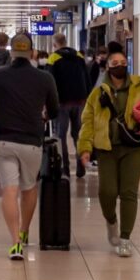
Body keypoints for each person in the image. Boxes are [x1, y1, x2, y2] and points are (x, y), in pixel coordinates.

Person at [0, 33, 59, 261]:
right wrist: (42, 117)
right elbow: (54, 111)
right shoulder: (45, 78)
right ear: (32, 52)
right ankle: (25, 232)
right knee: (29, 189)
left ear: (11, 52)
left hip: (3, 140)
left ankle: (15, 242)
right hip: (31, 142)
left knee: (9, 189)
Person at [78, 50, 140, 257]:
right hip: (107, 149)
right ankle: (111, 221)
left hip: (134, 148)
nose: (119, 65)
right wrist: (85, 148)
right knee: (107, 192)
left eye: (123, 62)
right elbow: (87, 122)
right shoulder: (97, 93)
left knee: (128, 192)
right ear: (108, 66)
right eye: (115, 62)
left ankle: (125, 238)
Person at [48, 33, 91, 178]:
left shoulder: (53, 58)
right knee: (78, 134)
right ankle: (80, 167)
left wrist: (48, 103)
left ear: (55, 44)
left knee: (60, 135)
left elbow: (50, 82)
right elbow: (87, 77)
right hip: (80, 101)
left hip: (62, 102)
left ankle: (65, 168)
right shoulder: (79, 56)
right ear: (66, 42)